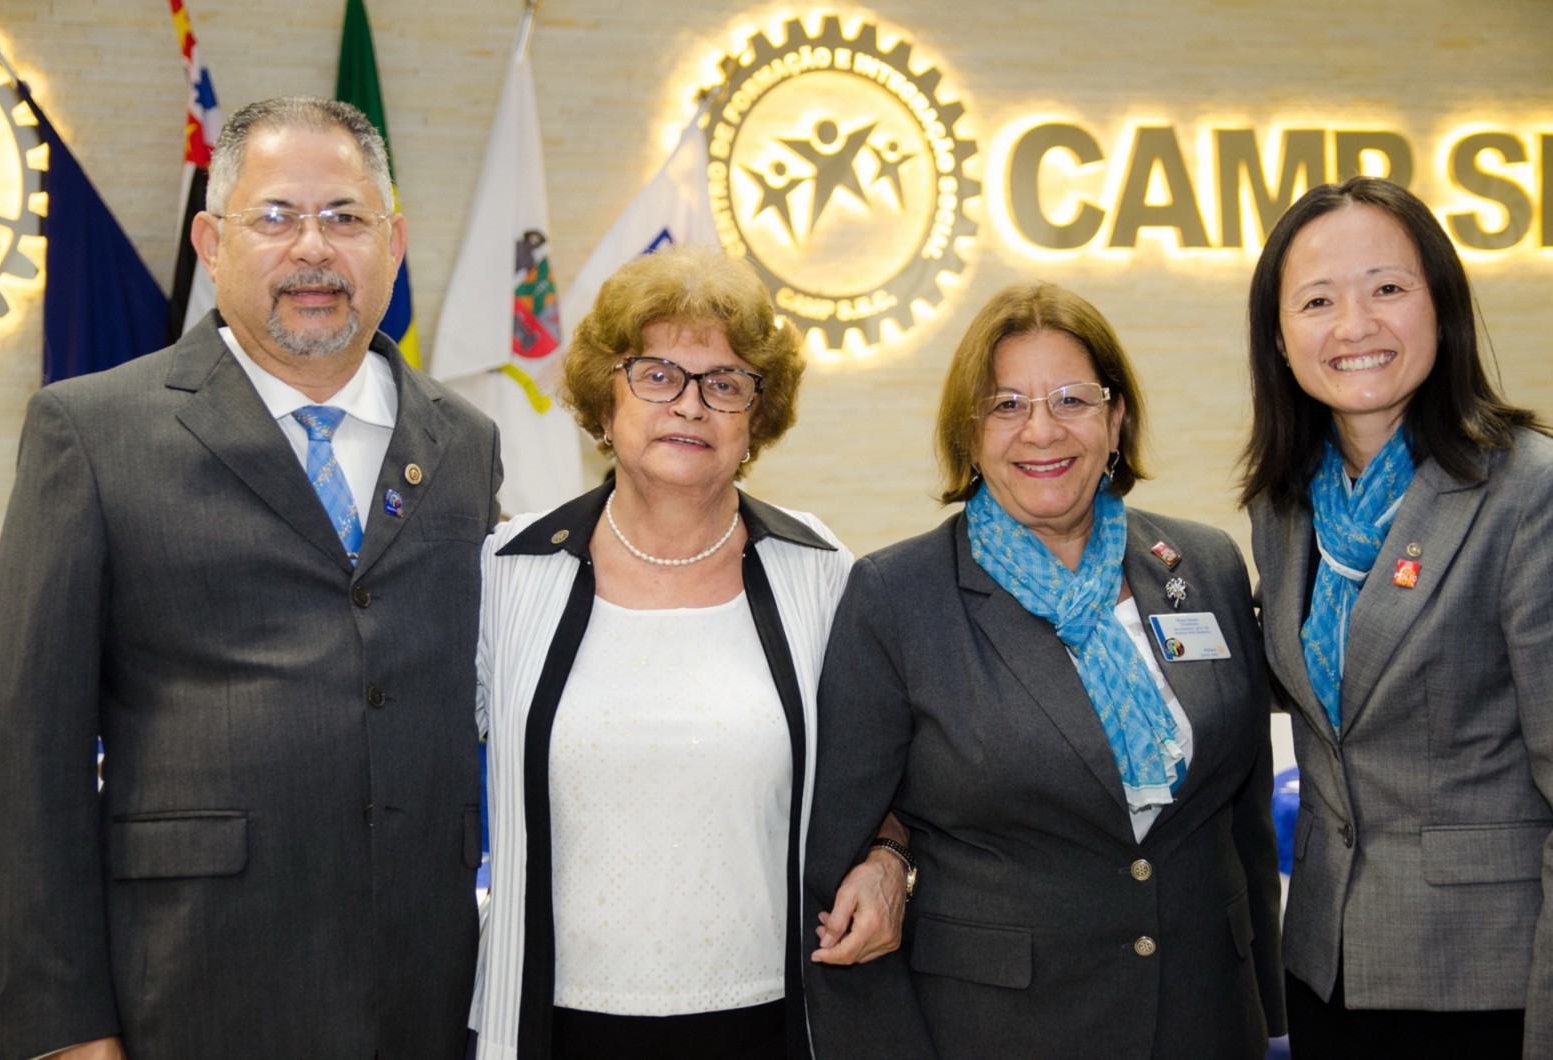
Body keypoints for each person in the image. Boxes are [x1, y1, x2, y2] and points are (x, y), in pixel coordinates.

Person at [0, 97, 502, 1059]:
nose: (314, 248)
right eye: (276, 216)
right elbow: (28, 755)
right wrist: (63, 1030)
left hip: (428, 991)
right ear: (212, 244)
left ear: (393, 245)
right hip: (192, 987)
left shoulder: (464, 442)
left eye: (346, 217)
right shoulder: (92, 432)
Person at [804, 282, 1286, 1058]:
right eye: (1006, 405)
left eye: (1072, 399)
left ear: (1116, 418)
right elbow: (842, 850)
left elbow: (1245, 815)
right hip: (1001, 1030)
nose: (1042, 429)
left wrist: (1272, 1006)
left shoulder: (1205, 566)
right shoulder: (897, 597)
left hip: (1207, 1016)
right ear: (968, 433)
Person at [470, 243, 890, 1059]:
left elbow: (892, 768)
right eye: (658, 375)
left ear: (756, 419)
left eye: (725, 383)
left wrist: (888, 859)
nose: (691, 406)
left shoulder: (817, 571)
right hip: (550, 1024)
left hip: (767, 1020)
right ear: (604, 403)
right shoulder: (510, 570)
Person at [1241, 175, 1553, 1057]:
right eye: (1317, 300)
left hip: (1487, 982)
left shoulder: (1528, 494)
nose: (1354, 325)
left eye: (1386, 288)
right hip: (1326, 971)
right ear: (1280, 337)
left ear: (1441, 306)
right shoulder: (1284, 507)